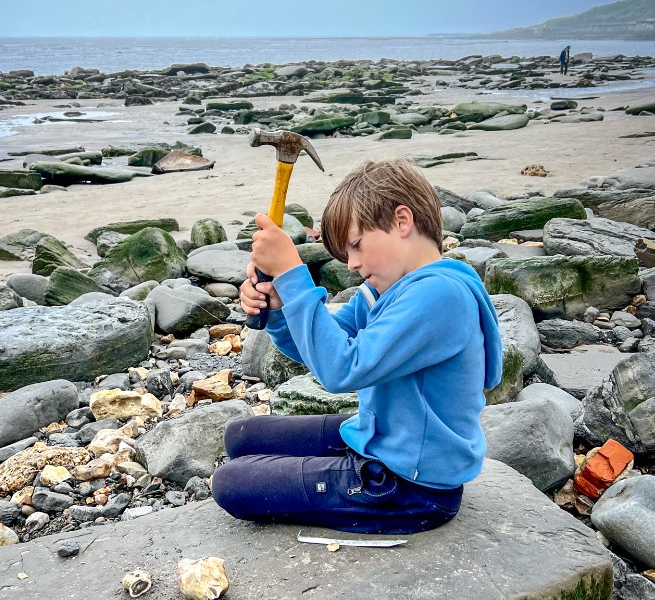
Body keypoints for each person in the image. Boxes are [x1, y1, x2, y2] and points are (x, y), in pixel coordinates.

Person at [211, 158, 503, 534]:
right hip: (380, 437)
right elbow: (323, 347)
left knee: (231, 483)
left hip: (410, 486)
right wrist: (283, 311)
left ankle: (368, 496)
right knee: (242, 436)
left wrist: (291, 272)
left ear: (402, 221)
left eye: (356, 245)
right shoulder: (386, 290)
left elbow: (341, 370)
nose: (351, 263)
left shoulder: (440, 295)